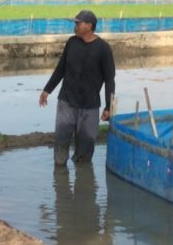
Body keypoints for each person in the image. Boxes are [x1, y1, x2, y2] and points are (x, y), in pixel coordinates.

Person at [39, 10, 116, 166]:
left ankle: (83, 183)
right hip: (67, 101)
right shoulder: (72, 42)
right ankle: (60, 176)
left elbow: (109, 80)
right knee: (61, 141)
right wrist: (47, 90)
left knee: (86, 148)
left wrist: (109, 106)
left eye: (77, 23)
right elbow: (61, 69)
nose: (75, 26)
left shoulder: (103, 49)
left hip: (90, 105)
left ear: (89, 26)